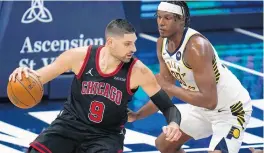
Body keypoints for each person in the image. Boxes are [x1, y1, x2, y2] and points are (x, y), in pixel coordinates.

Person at [9, 19, 182, 153]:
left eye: (134, 42)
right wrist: (25, 74)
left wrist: (173, 123)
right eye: (127, 44)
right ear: (110, 42)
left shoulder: (138, 71)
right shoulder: (79, 56)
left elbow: (167, 106)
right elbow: (39, 77)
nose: (134, 48)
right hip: (69, 125)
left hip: (106, 136)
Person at [128, 1, 252, 153]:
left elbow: (210, 101)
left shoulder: (197, 47)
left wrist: (170, 87)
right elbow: (165, 92)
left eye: (167, 18)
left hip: (231, 109)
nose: (160, 23)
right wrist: (137, 115)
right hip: (200, 109)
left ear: (181, 20)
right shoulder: (162, 43)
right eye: (158, 17)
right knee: (164, 145)